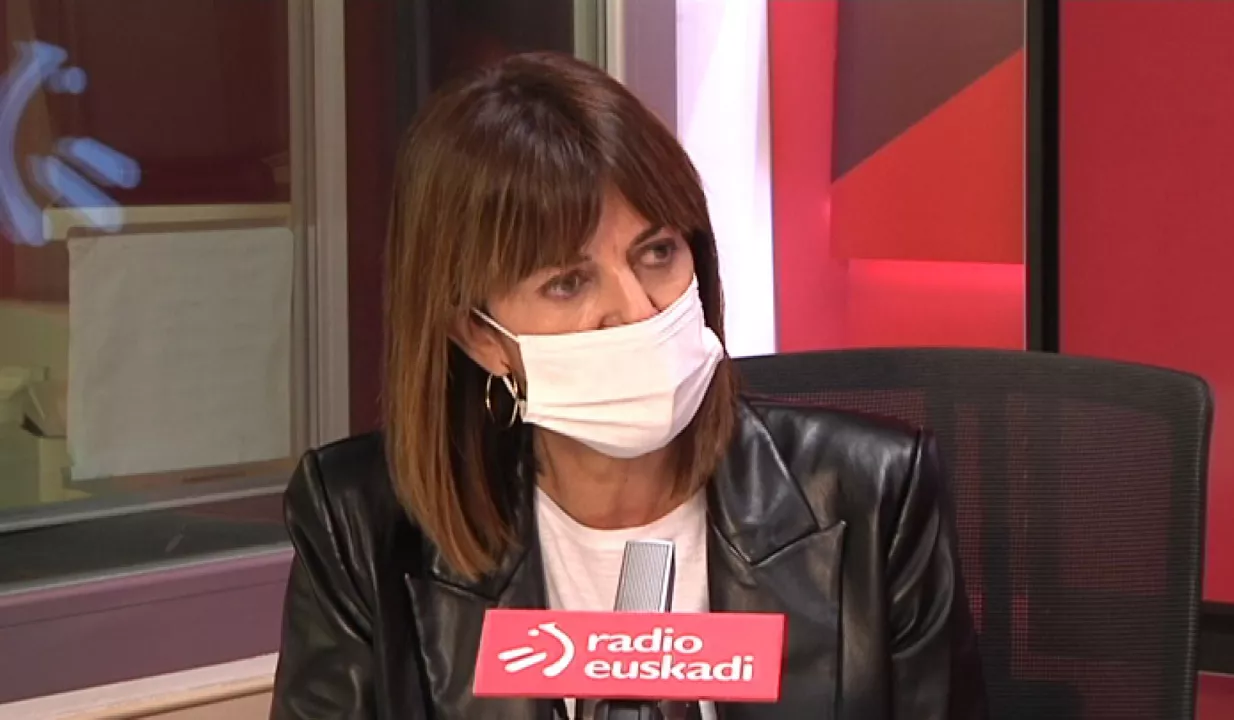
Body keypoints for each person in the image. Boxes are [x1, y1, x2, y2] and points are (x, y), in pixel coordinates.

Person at [271, 52, 986, 720]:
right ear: (481, 338)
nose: (639, 310)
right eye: (568, 283)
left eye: (657, 252)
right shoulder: (361, 527)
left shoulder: (872, 494)